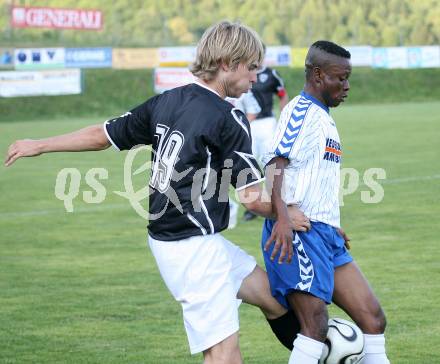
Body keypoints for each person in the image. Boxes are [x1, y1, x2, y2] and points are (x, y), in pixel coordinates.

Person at [5, 22, 310, 364]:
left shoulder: (167, 102)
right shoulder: (229, 117)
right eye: (251, 67)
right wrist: (287, 211)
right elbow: (252, 199)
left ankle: (318, 355)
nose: (255, 78)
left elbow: (102, 134)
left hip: (178, 240)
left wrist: (41, 144)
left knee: (272, 298)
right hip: (193, 248)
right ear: (227, 63)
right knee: (223, 353)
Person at [262, 41, 390, 364]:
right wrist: (282, 218)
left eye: (348, 79)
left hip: (327, 234)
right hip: (299, 235)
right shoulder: (300, 112)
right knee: (315, 326)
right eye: (340, 78)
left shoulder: (324, 117)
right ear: (318, 75)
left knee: (373, 318)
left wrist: (332, 223)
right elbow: (275, 165)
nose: (346, 86)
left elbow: (311, 178)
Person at [243, 46, 289, 221]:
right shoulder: (244, 73)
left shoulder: (272, 75)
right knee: (250, 163)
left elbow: (282, 96)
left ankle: (277, 202)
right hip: (249, 123)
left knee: (270, 162)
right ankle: (252, 205)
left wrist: (283, 118)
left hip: (267, 123)